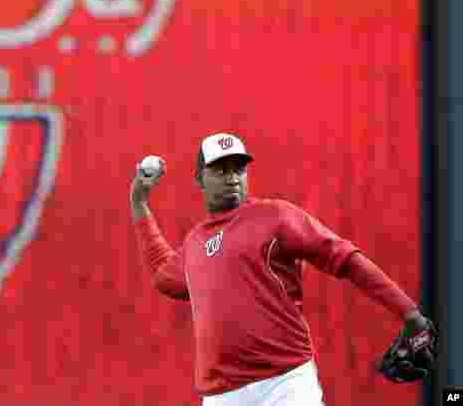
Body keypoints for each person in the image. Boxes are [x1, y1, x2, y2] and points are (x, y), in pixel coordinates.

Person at [129, 132, 435, 406]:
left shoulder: (275, 217)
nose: (232, 177)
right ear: (199, 179)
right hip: (221, 395)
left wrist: (409, 314)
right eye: (220, 169)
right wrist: (139, 203)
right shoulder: (195, 243)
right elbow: (162, 272)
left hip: (285, 384)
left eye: (238, 168)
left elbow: (346, 260)